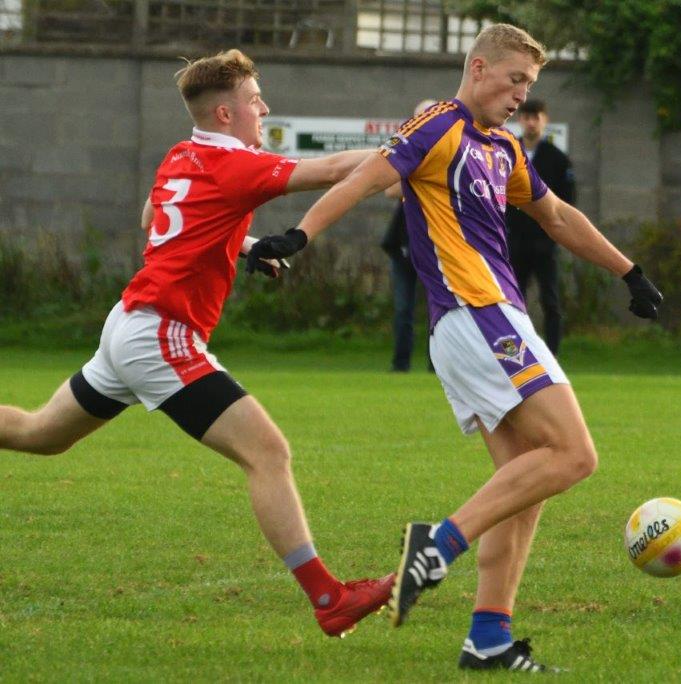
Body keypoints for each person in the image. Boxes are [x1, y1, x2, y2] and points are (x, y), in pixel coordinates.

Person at [248, 24, 662, 671]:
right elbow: (364, 179)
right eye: (514, 80)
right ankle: (437, 548)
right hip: (477, 315)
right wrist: (298, 238)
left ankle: (489, 637)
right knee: (575, 455)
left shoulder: (503, 147)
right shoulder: (439, 125)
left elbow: (555, 218)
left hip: (487, 319)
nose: (522, 96)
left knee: (523, 485)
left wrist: (628, 271)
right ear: (477, 68)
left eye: (530, 85)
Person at [0, 49, 393, 638]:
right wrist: (411, 152)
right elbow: (336, 169)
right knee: (269, 454)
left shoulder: (182, 154)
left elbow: (154, 215)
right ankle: (328, 598)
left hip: (128, 326)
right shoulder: (236, 166)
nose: (265, 107)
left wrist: (241, 244)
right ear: (227, 114)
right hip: (161, 333)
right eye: (256, 99)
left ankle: (328, 596)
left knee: (38, 435)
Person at [506, 99, 575, 355]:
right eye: (526, 117)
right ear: (520, 120)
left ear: (545, 120)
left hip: (544, 243)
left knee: (550, 300)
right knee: (513, 302)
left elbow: (567, 202)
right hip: (514, 242)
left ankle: (552, 356)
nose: (531, 122)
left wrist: (555, 236)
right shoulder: (509, 153)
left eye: (536, 117)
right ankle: (516, 354)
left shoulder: (557, 159)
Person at [380, 99, 436, 372]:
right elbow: (390, 190)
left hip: (435, 243)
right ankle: (400, 364)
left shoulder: (447, 150)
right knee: (404, 309)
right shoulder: (402, 149)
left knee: (438, 310)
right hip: (403, 242)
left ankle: (436, 365)